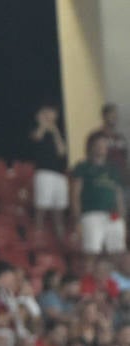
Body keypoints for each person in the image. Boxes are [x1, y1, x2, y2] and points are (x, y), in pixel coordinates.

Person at [71, 135, 126, 255]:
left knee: (117, 252)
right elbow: (75, 195)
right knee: (92, 252)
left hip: (113, 215)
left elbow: (119, 195)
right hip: (91, 214)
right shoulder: (82, 167)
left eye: (104, 144)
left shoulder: (113, 169)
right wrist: (77, 221)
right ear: (91, 147)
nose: (102, 147)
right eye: (98, 144)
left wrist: (122, 218)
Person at [31, 105, 69, 240]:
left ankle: (60, 239)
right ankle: (38, 234)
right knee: (41, 207)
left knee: (59, 211)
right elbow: (36, 137)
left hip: (59, 174)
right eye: (46, 112)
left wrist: (55, 131)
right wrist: (43, 123)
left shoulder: (57, 132)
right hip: (44, 173)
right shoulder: (37, 129)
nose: (50, 115)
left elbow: (62, 152)